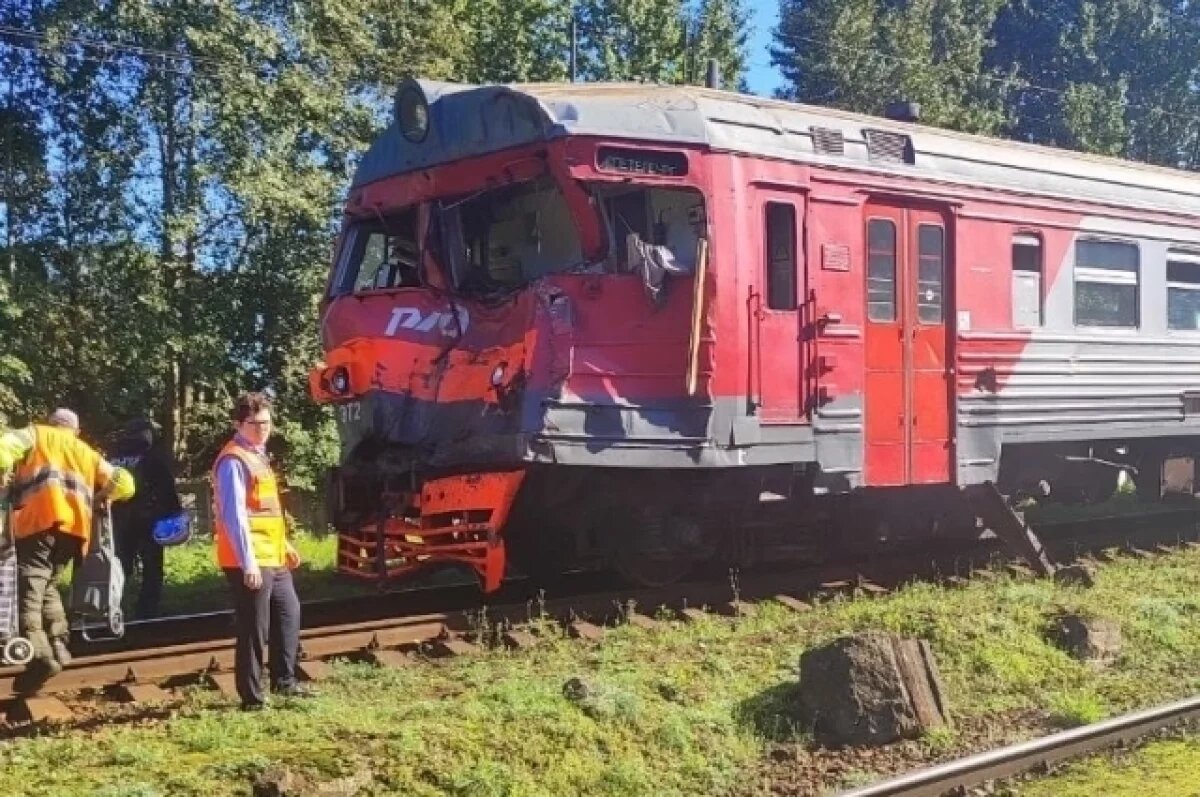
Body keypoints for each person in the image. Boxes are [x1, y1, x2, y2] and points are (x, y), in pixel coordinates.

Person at [0, 408, 135, 679]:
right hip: (76, 529)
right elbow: (126, 483)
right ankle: (60, 643)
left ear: (51, 424)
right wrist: (102, 497)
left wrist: (3, 475)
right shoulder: (86, 451)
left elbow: (3, 449)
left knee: (30, 582)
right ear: (75, 430)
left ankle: (39, 655)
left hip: (40, 520)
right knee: (47, 584)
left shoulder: (35, 434)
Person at [212, 391, 310, 710]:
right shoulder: (233, 459)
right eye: (255, 423)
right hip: (249, 557)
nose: (263, 428)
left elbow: (266, 511)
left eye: (267, 422)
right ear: (238, 424)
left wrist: (284, 545)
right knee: (254, 627)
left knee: (288, 613)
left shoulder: (259, 455)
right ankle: (252, 699)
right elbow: (234, 515)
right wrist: (248, 563)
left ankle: (285, 682)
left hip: (272, 554)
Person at [109, 417, 183, 619]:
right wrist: (176, 513)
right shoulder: (152, 457)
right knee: (152, 568)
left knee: (120, 567)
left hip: (119, 521)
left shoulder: (113, 458)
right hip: (149, 521)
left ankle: (116, 608)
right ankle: (147, 612)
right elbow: (166, 488)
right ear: (145, 433)